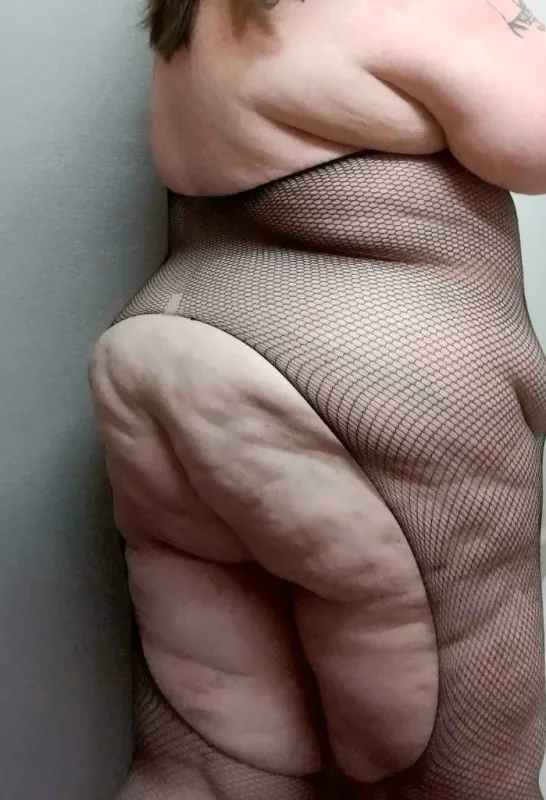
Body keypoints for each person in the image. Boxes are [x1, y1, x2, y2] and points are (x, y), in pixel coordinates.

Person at [89, 0, 546, 797]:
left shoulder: (204, 10)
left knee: (208, 765)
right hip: (368, 385)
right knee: (464, 771)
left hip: (170, 350)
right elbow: (533, 142)